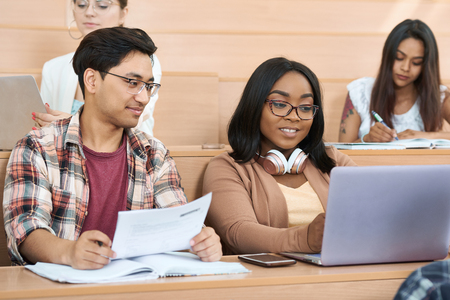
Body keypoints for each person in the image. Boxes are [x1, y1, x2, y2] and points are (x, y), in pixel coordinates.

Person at [3, 27, 221, 269]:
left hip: (133, 287)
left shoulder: (154, 153)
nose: (144, 97)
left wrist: (201, 240)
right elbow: (25, 230)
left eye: (148, 85)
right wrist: (71, 252)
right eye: (132, 82)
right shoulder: (37, 146)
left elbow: (178, 222)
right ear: (92, 80)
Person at [202, 57, 356, 255]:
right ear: (255, 105)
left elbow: (373, 205)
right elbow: (238, 233)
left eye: (306, 107)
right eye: (280, 104)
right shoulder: (227, 167)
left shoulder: (333, 160)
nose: (294, 116)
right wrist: (304, 239)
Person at [36, 0, 162, 136]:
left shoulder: (144, 62)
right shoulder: (53, 68)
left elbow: (133, 119)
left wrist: (69, 125)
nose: (89, 12)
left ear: (123, 14)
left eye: (102, 5)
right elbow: (44, 124)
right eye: (82, 4)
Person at [339, 19, 450, 143]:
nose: (405, 68)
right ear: (388, 55)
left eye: (416, 62)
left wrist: (427, 136)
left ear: (426, 65)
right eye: (399, 57)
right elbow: (342, 152)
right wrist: (367, 139)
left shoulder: (439, 96)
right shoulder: (360, 92)